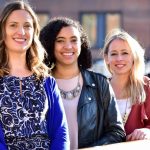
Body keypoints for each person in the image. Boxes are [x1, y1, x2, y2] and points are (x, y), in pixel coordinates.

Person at [40, 17, 126, 149]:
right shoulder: (39, 85)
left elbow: (117, 132)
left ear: (82, 44)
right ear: (50, 44)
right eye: (60, 40)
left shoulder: (100, 83)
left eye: (74, 40)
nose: (68, 46)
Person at [0, 1, 69, 150]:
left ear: (34, 32)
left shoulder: (46, 81)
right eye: (13, 25)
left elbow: (60, 131)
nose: (21, 31)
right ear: (2, 31)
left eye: (27, 26)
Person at [103, 28, 150, 141]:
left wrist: (147, 131)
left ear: (134, 56)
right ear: (106, 58)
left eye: (125, 53)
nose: (119, 58)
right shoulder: (99, 89)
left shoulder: (146, 87)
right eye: (114, 54)